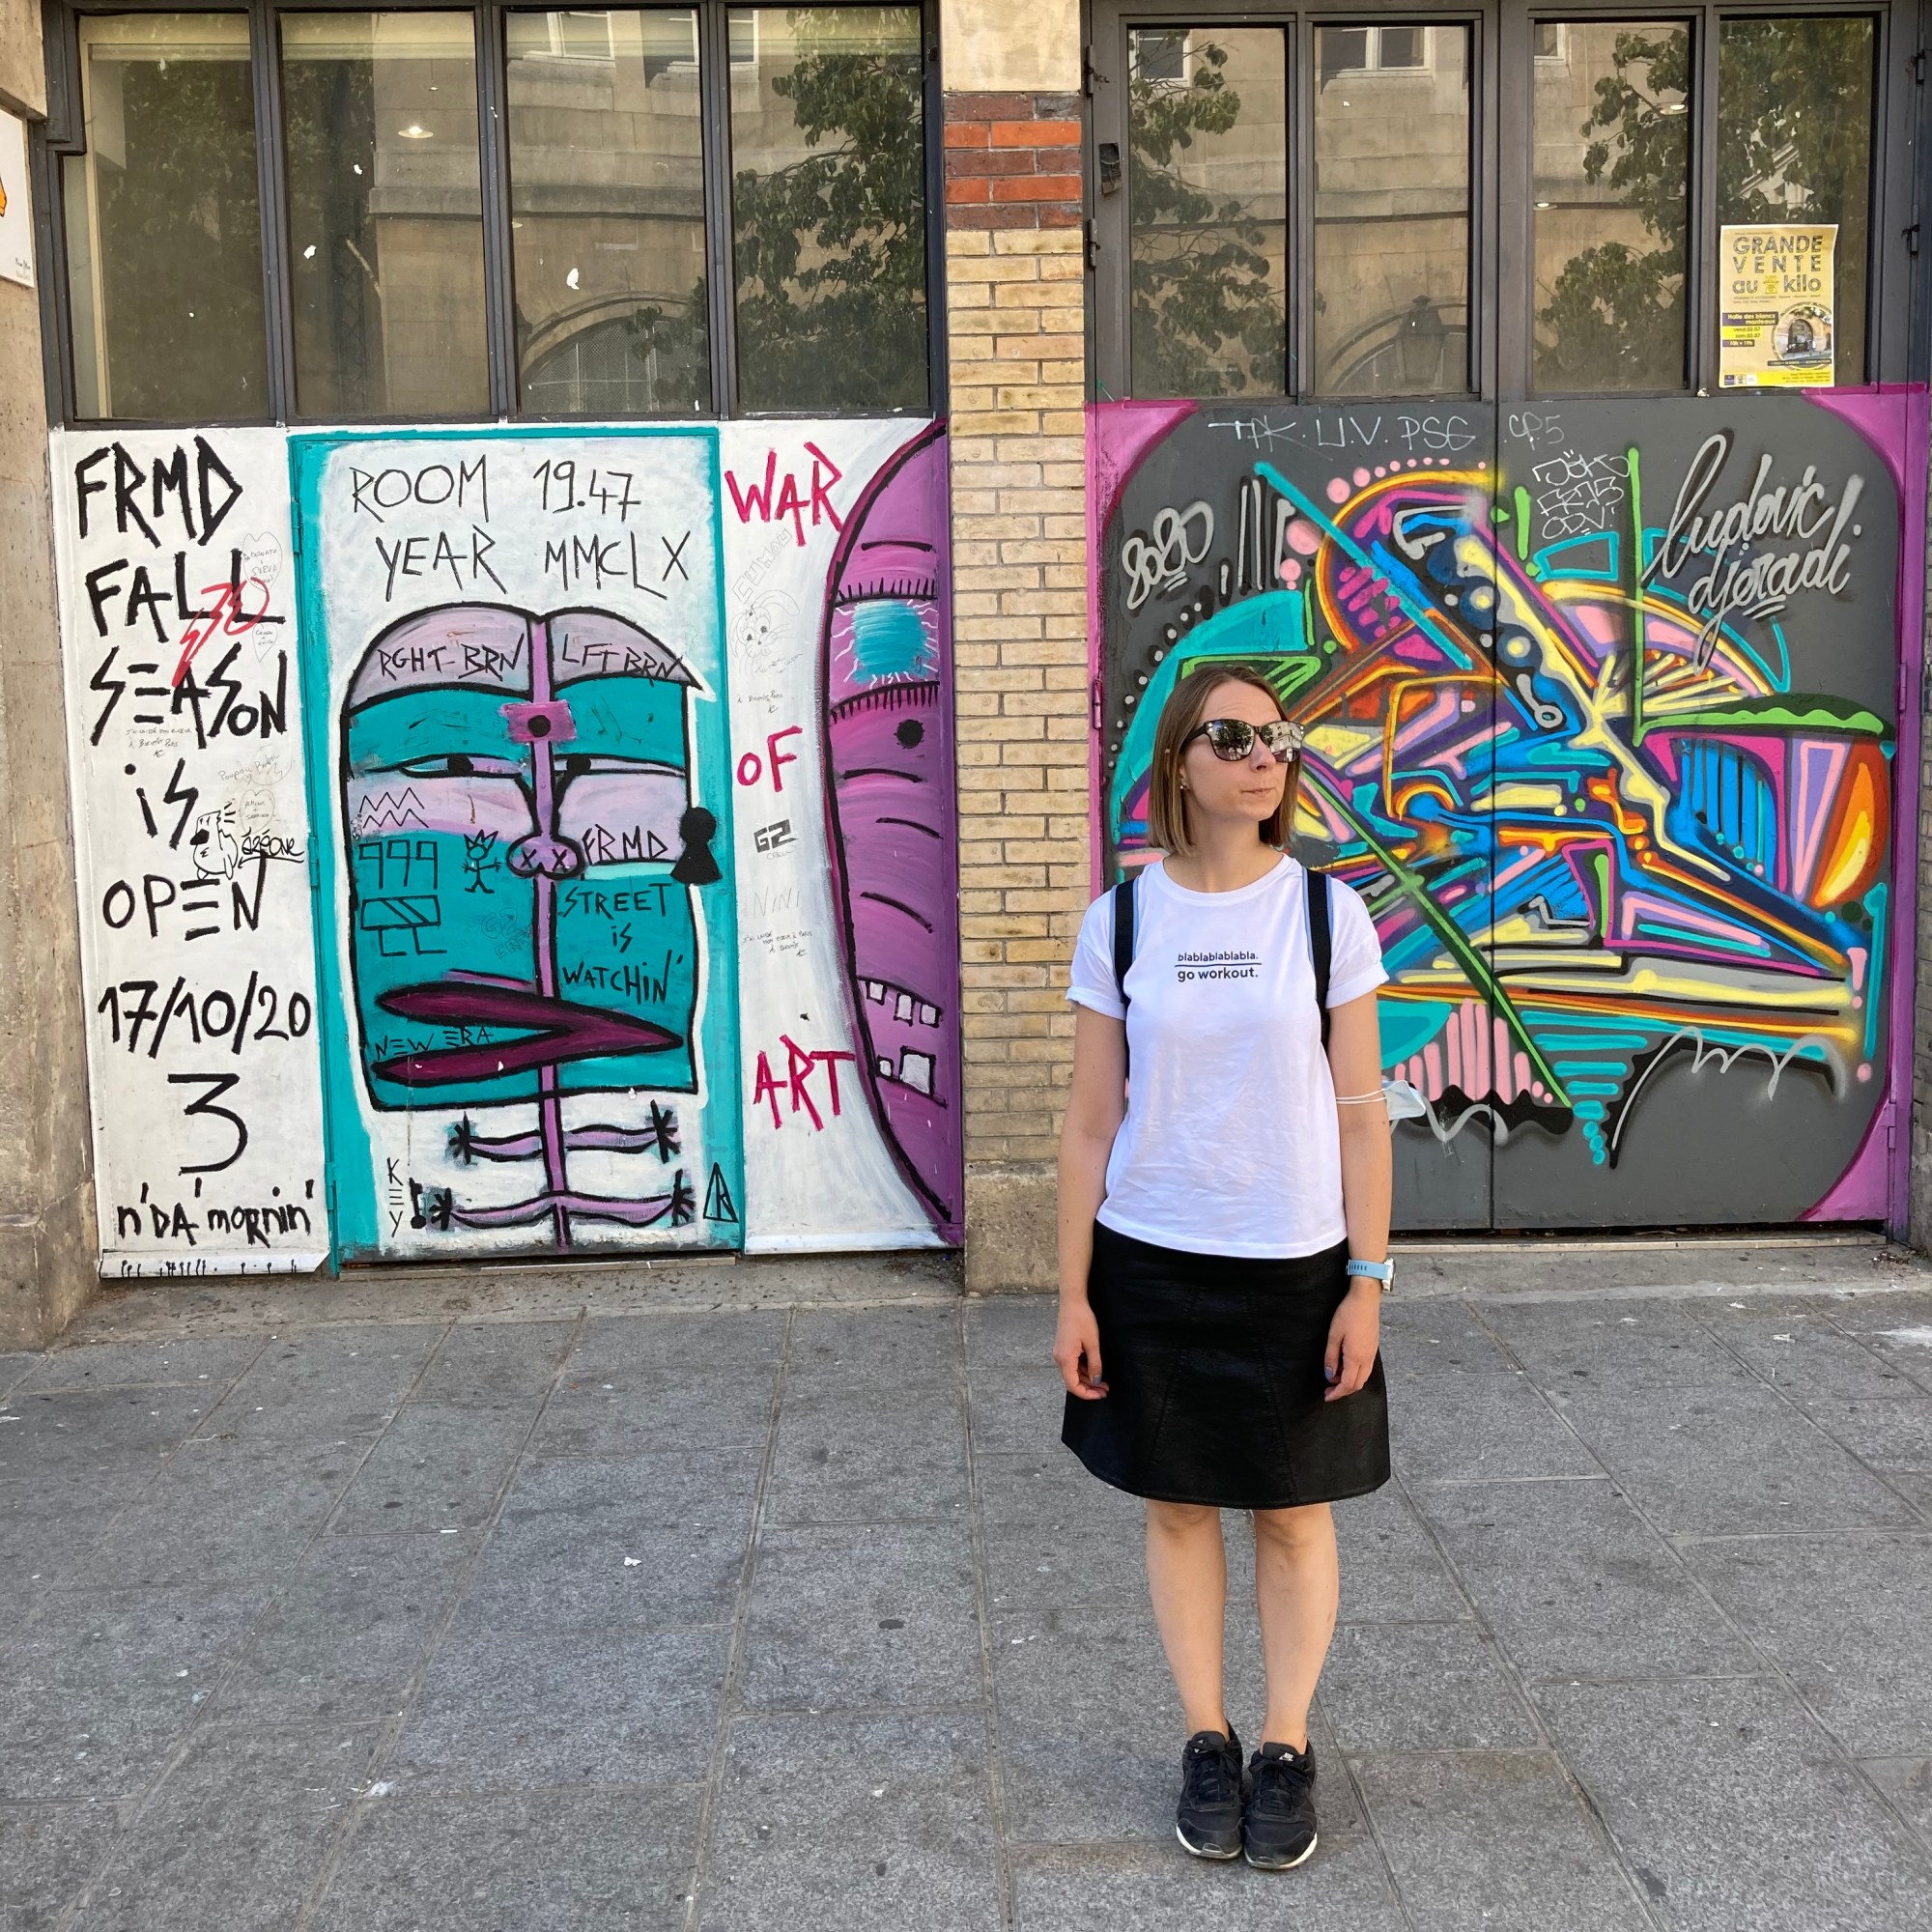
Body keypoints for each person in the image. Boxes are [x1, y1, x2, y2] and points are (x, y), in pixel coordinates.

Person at [1053, 664, 1394, 1871]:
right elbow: (1089, 1122)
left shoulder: (1324, 914)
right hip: (1149, 1257)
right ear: (1178, 762)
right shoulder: (1122, 920)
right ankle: (1207, 1736)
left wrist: (1367, 1278)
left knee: (1293, 1511)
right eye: (1232, 736)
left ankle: (1285, 1745)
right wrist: (1071, 1291)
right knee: (1180, 1500)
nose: (1262, 756)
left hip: (1293, 1262)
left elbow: (1362, 1115)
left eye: (1276, 735)